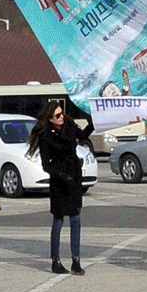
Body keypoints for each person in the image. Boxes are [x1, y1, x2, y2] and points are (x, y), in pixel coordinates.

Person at [27, 97, 94, 275]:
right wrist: (60, 175)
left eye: (61, 113)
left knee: (76, 219)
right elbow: (46, 164)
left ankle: (76, 261)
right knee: (58, 221)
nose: (61, 117)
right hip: (59, 180)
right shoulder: (46, 135)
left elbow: (84, 135)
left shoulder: (70, 127)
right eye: (57, 115)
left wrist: (92, 119)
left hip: (74, 176)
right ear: (50, 118)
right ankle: (55, 260)